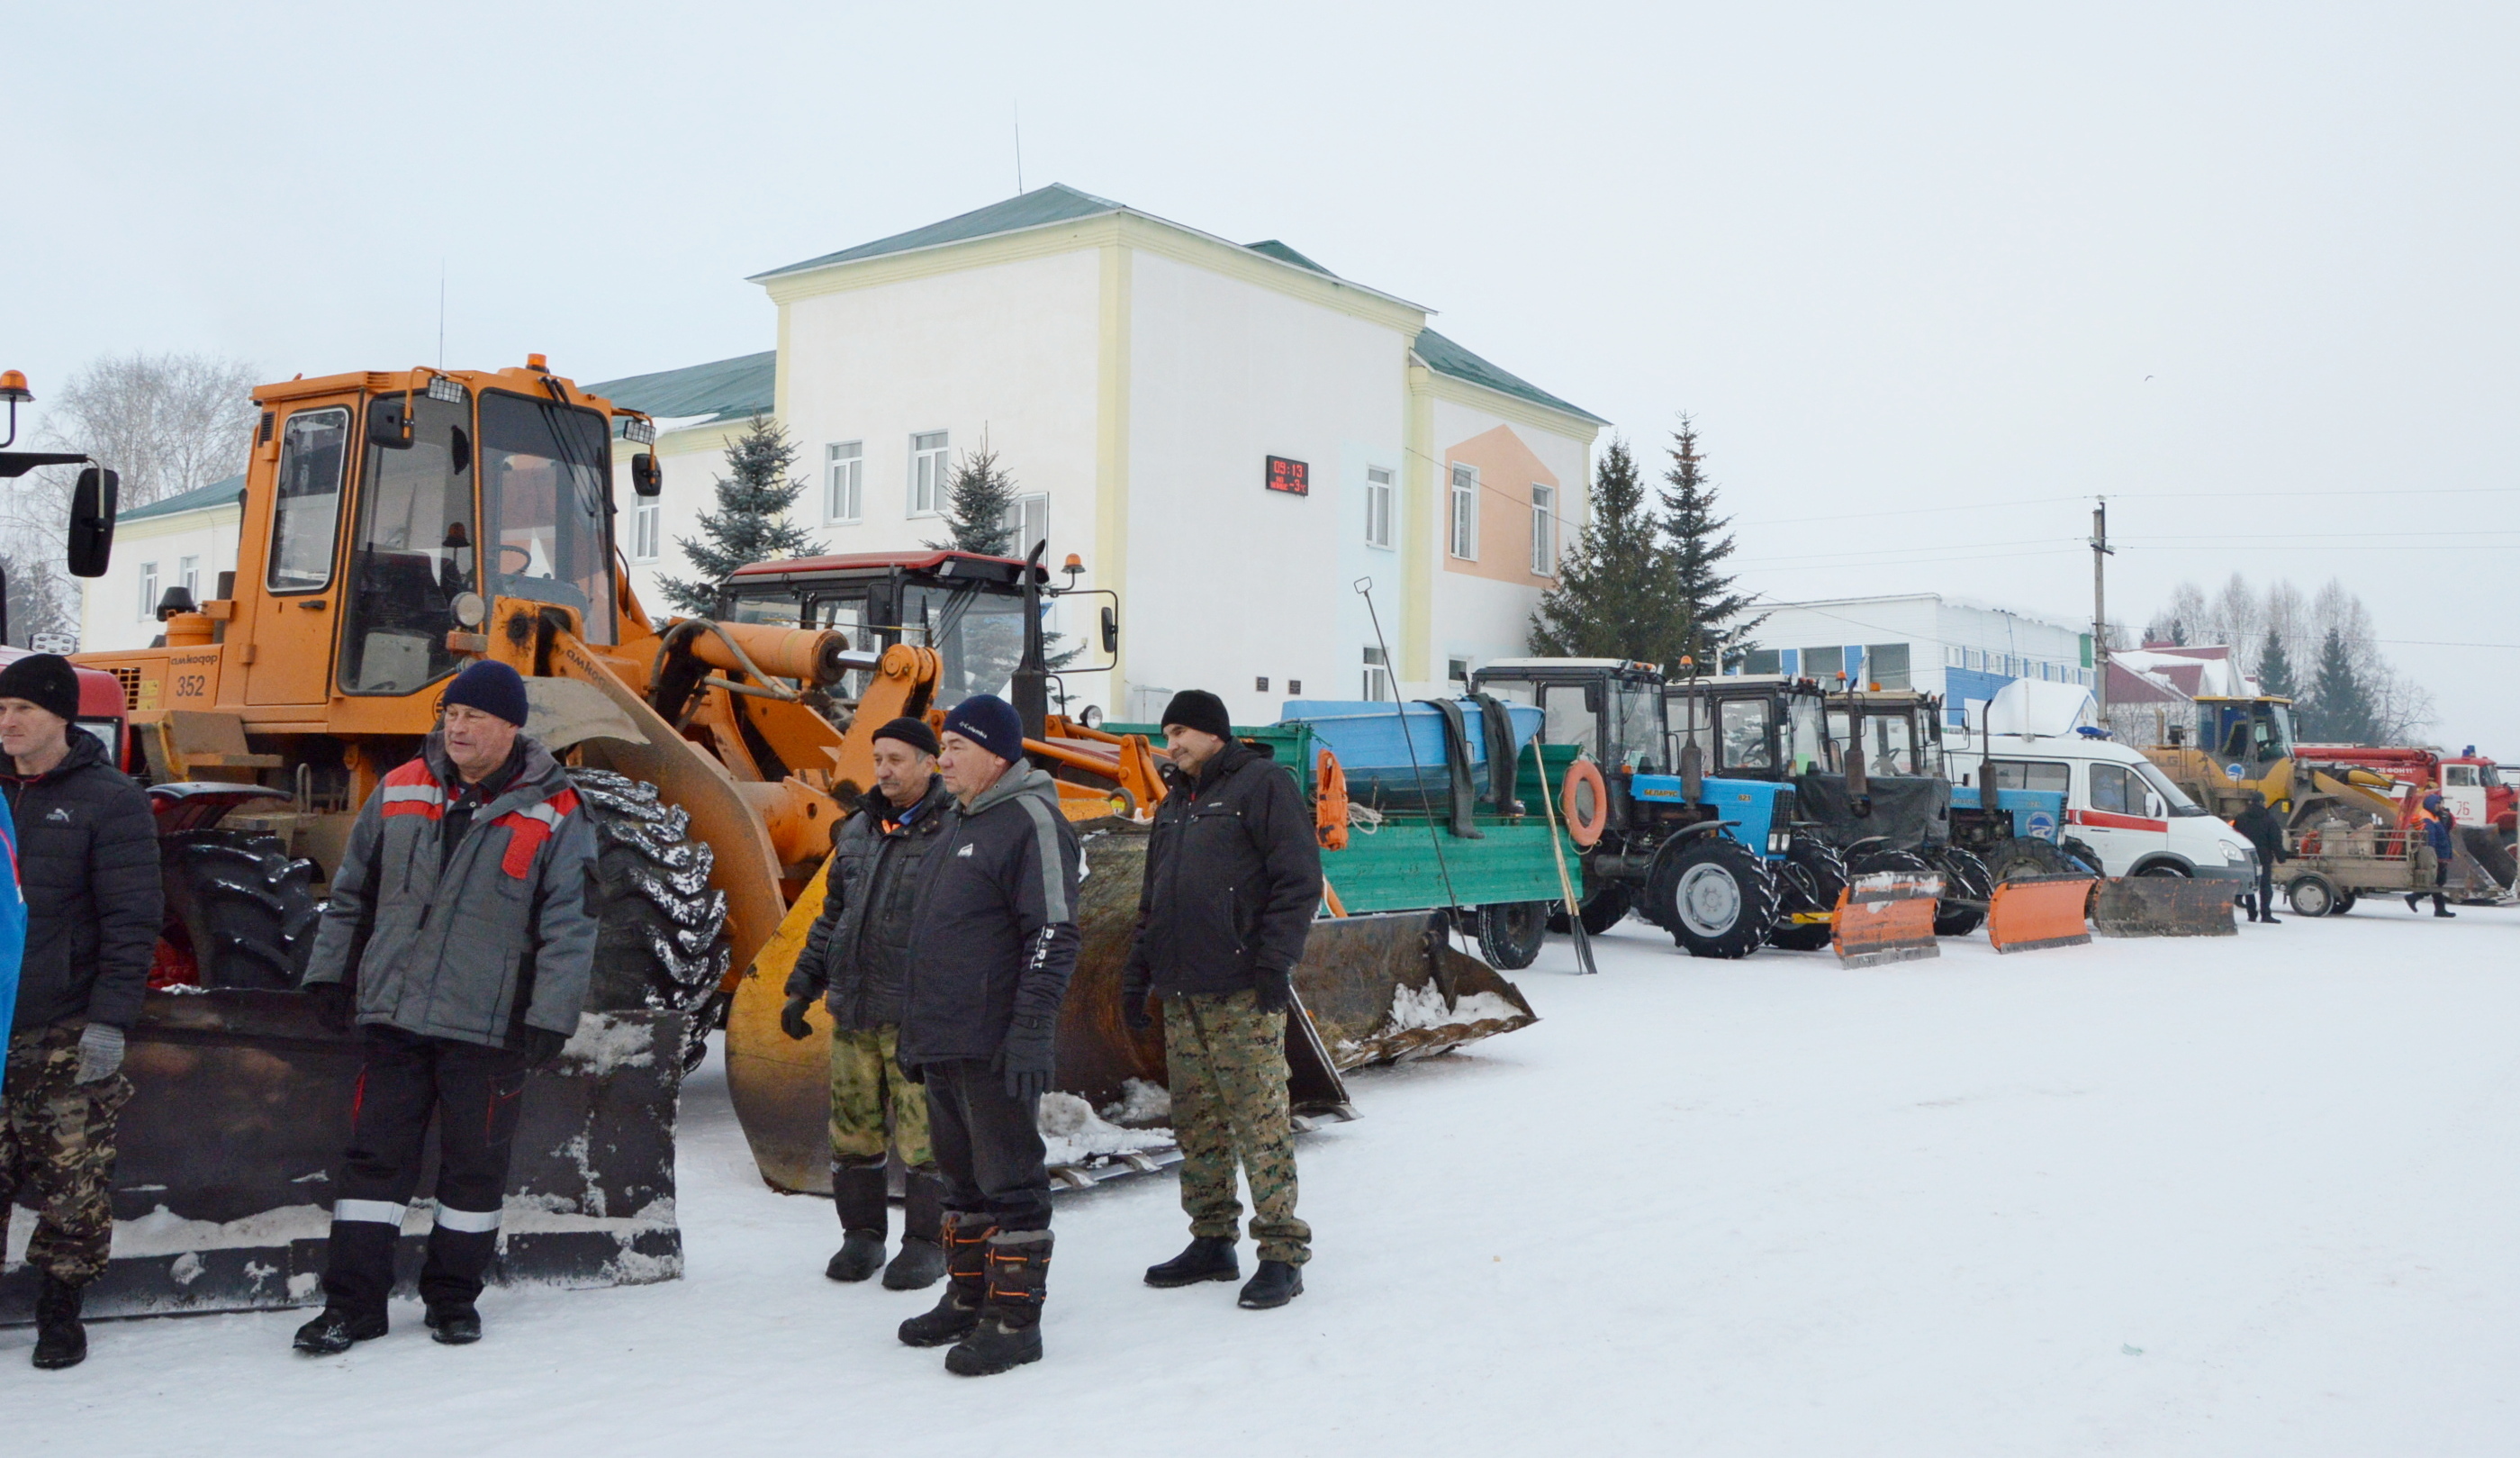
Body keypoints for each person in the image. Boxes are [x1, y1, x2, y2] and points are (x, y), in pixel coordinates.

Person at [292, 660, 599, 1354]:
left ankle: (453, 1298)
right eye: (450, 714)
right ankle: (354, 1304)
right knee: (373, 1164)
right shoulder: (398, 788)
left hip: (486, 1027)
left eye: (473, 717)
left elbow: (571, 922)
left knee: (473, 1170)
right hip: (395, 1016)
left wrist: (550, 1012)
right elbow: (351, 893)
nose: (456, 727)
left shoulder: (558, 807)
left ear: (511, 727)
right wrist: (331, 973)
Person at [892, 694, 1080, 1377]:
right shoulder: (959, 822)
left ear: (996, 754)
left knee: (1010, 1182)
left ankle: (1013, 1320)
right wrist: (914, 1036)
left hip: (994, 1041)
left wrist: (1030, 1031)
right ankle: (968, 1297)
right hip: (943, 1040)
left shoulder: (1029, 819)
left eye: (955, 747)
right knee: (962, 1181)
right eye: (941, 745)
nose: (941, 758)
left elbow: (1054, 931)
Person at [1120, 689, 1321, 1310]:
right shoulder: (1177, 801)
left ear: (1213, 732)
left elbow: (1298, 880)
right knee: (1198, 1122)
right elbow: (1155, 897)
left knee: (1258, 1121)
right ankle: (1211, 1239)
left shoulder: (1262, 785)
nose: (1169, 744)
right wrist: (1137, 972)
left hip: (1240, 989)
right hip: (1183, 988)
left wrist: (1273, 962)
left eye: (1179, 731)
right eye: (1166, 733)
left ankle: (1281, 1251)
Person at [0, 654, 160, 1370]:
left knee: (72, 1177)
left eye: (23, 709)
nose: (7, 720)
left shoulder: (109, 799)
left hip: (60, 1024)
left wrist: (109, 1020)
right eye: (0, 707)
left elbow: (132, 918)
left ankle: (61, 1307)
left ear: (61, 717)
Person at [781, 716, 953, 1290]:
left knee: (923, 1134)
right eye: (879, 758)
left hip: (915, 1015)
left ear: (930, 763)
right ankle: (862, 1237)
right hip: (853, 1006)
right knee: (853, 1129)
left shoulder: (952, 827)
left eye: (897, 758)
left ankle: (928, 1243)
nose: (883, 769)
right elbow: (833, 915)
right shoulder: (857, 829)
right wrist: (803, 985)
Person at [2231, 792, 2288, 924]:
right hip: (2263, 857)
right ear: (2263, 803)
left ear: (2250, 802)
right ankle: (2266, 914)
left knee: (2250, 884)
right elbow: (2275, 840)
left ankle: (2251, 914)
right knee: (2265, 886)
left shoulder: (2240, 818)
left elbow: (2234, 837)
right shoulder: (2269, 819)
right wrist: (2281, 857)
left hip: (2247, 857)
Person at [2407, 791, 2457, 918]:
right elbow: (2430, 838)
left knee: (2437, 883)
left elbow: (2447, 829)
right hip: (2437, 855)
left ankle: (2438, 909)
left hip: (2440, 854)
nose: (2440, 806)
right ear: (2431, 804)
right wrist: (2432, 855)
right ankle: (2415, 897)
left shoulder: (2434, 816)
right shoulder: (2428, 818)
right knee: (2438, 882)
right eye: (2438, 804)